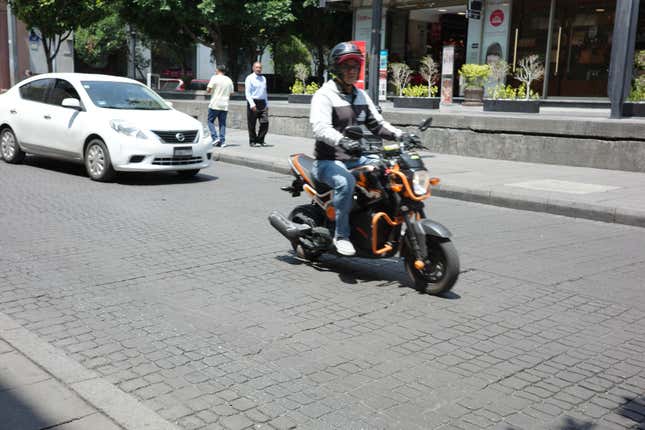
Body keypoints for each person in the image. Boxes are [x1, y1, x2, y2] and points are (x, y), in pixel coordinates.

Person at [309, 41, 420, 256]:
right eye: (346, 66)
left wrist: (401, 135)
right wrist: (342, 141)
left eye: (355, 66)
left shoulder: (361, 94)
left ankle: (380, 222)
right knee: (345, 181)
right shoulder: (324, 95)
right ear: (336, 68)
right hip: (328, 160)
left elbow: (377, 124)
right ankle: (341, 236)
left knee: (389, 171)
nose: (351, 71)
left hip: (356, 157)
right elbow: (320, 127)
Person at [206, 64, 235, 147]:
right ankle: (222, 141)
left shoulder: (214, 78)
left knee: (210, 121)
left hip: (215, 104)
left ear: (218, 70)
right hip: (224, 104)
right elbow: (232, 93)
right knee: (222, 123)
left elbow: (208, 90)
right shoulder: (229, 80)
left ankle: (215, 138)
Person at [244, 62, 269, 147]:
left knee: (265, 122)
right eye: (257, 67)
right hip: (253, 102)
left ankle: (260, 139)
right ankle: (252, 141)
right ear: (253, 68)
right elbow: (247, 92)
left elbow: (264, 92)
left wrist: (267, 104)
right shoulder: (249, 78)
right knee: (252, 123)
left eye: (260, 67)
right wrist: (252, 104)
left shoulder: (264, 78)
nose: (258, 69)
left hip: (262, 103)